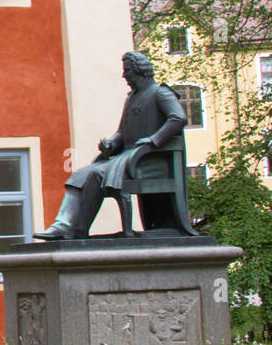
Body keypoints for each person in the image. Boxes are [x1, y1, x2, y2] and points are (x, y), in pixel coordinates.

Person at [35, 51, 187, 240]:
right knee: (79, 176)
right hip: (130, 157)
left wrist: (153, 140)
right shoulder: (132, 98)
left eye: (128, 71)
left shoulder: (160, 93)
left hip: (150, 160)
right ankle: (64, 226)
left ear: (139, 71)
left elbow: (178, 118)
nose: (125, 76)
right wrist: (111, 143)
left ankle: (79, 229)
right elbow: (122, 132)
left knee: (96, 174)